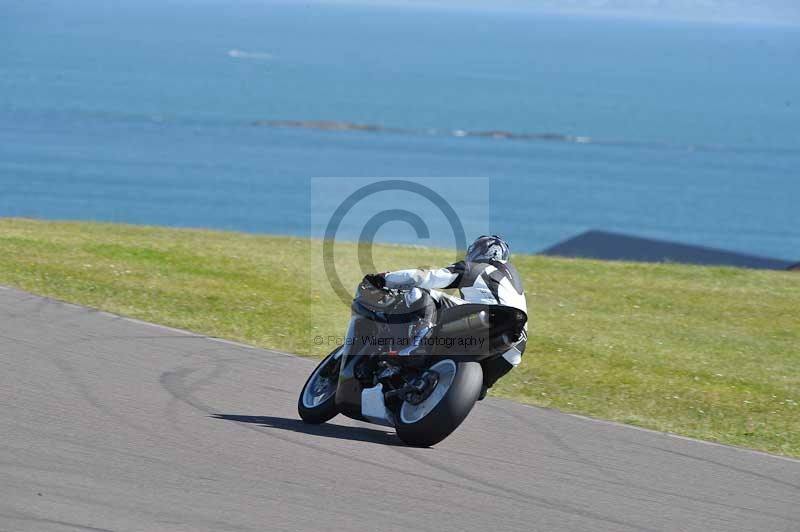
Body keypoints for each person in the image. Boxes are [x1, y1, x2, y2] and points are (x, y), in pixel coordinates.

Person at [366, 235, 527, 397]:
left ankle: (416, 346)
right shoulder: (514, 283)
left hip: (489, 317)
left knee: (419, 292)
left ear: (479, 251)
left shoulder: (476, 268)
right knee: (478, 390)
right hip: (514, 348)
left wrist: (385, 278)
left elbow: (427, 277)